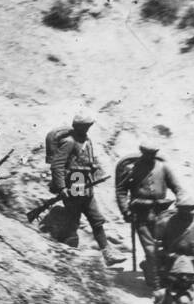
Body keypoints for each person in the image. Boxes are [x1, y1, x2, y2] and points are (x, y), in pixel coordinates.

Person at [49, 109, 124, 266]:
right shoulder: (69, 142)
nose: (88, 128)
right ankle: (65, 255)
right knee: (73, 220)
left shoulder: (87, 141)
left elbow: (88, 161)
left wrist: (94, 166)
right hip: (75, 183)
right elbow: (57, 165)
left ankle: (108, 254)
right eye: (86, 126)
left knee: (96, 219)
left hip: (86, 184)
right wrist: (62, 187)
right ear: (79, 126)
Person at [115, 140, 184, 288]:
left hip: (163, 214)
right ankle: (155, 285)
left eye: (153, 154)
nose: (151, 157)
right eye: (148, 154)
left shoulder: (163, 167)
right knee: (150, 250)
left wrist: (181, 199)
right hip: (141, 214)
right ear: (143, 153)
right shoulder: (132, 168)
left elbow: (177, 187)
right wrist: (125, 210)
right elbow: (121, 190)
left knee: (167, 249)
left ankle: (151, 268)